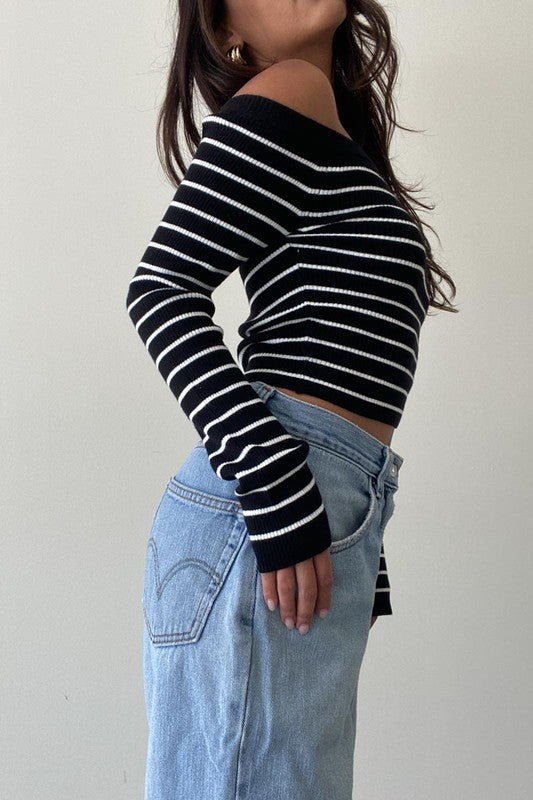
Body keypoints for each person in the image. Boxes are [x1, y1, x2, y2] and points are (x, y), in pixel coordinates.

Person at [125, 2, 457, 797]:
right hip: (271, 495)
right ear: (225, 33)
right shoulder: (287, 89)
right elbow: (159, 290)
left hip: (307, 503)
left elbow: (339, 343)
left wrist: (353, 528)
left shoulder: (321, 120)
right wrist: (279, 483)